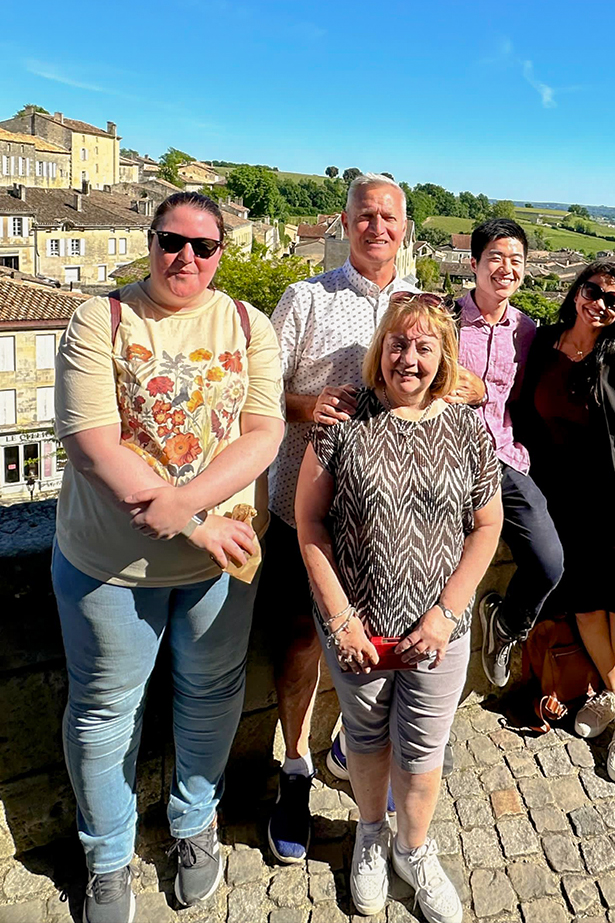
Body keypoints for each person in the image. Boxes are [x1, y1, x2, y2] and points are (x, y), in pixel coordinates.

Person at [51, 191, 285, 923]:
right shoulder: (101, 318)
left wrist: (188, 512)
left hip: (223, 561)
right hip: (110, 565)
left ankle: (193, 825)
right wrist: (196, 523)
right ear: (150, 241)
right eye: (170, 241)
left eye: (203, 246)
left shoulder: (248, 324)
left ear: (221, 252)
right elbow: (92, 444)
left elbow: (263, 435)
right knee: (103, 715)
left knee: (212, 696)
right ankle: (109, 858)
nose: (186, 257)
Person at [263, 174, 483, 863]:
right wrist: (307, 408)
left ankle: (351, 757)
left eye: (389, 217)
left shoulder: (424, 306)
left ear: (405, 226)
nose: (377, 227)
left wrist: (460, 385)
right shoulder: (306, 298)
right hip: (309, 513)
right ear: (346, 221)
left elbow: (457, 388)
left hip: (400, 534)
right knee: (301, 642)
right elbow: (257, 396)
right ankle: (296, 767)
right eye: (365, 216)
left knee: (381, 656)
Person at [296, 295, 503, 923]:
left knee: (423, 749)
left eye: (424, 347)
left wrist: (445, 613)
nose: (407, 358)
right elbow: (310, 522)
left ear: (443, 357)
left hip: (438, 630)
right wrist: (340, 620)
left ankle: (414, 849)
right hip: (357, 628)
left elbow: (486, 526)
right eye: (397, 343)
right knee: (363, 738)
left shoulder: (468, 427)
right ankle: (369, 834)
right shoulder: (343, 420)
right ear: (379, 347)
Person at [513, 262, 615, 784]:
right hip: (561, 501)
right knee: (584, 607)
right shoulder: (545, 345)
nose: (601, 303)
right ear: (577, 292)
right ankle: (612, 689)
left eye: (614, 299)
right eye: (593, 291)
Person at [460, 218, 566, 687]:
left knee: (548, 560)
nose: (506, 268)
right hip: (444, 458)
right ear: (475, 264)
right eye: (495, 258)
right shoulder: (441, 321)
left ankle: (505, 626)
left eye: (516, 260)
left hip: (503, 458)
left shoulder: (529, 331)